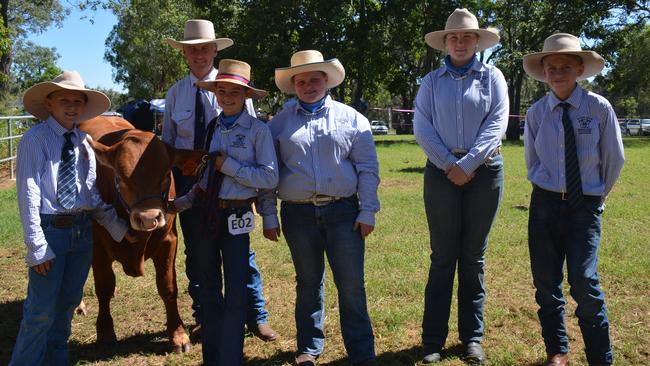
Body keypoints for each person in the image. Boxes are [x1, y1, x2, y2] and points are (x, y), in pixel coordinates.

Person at [259, 50, 380, 366]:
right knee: (308, 281)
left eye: (315, 79)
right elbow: (269, 174)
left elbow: (368, 168)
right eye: (302, 80)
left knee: (351, 283)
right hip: (297, 214)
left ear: (326, 81)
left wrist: (367, 210)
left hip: (344, 211)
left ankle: (362, 351)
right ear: (293, 84)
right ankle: (309, 348)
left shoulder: (352, 119)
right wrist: (269, 215)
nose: (309, 85)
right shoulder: (279, 125)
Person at [163, 19, 277, 341]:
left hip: (234, 186)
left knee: (242, 252)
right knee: (197, 254)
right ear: (185, 53)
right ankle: (206, 314)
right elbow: (167, 144)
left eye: (204, 48)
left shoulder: (237, 87)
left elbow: (253, 139)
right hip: (191, 187)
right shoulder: (175, 94)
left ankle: (256, 315)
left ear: (214, 50)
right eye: (192, 50)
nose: (199, 55)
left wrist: (251, 190)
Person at [10, 71, 129, 365]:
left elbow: (90, 194)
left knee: (66, 306)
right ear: (49, 103)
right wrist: (37, 246)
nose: (72, 106)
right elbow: (28, 191)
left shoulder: (84, 142)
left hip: (81, 233)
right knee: (40, 311)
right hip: (51, 231)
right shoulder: (34, 140)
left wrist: (120, 228)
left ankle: (56, 360)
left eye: (78, 100)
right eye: (64, 99)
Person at [413, 8, 509, 364]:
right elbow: (422, 128)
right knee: (442, 258)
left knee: (473, 258)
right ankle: (432, 341)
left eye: (467, 36)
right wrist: (449, 165)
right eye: (454, 37)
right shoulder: (430, 82)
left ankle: (472, 339)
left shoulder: (493, 77)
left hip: (484, 172)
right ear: (445, 43)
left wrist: (467, 164)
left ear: (477, 41)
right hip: (441, 174)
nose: (460, 42)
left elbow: (497, 122)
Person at [522, 33, 624, 366]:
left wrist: (595, 195)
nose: (558, 72)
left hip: (585, 206)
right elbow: (532, 162)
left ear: (580, 69)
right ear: (544, 71)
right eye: (551, 67)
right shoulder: (538, 113)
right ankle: (558, 351)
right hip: (544, 205)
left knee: (584, 280)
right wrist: (550, 188)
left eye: (566, 66)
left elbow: (614, 160)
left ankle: (600, 357)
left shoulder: (598, 109)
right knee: (546, 281)